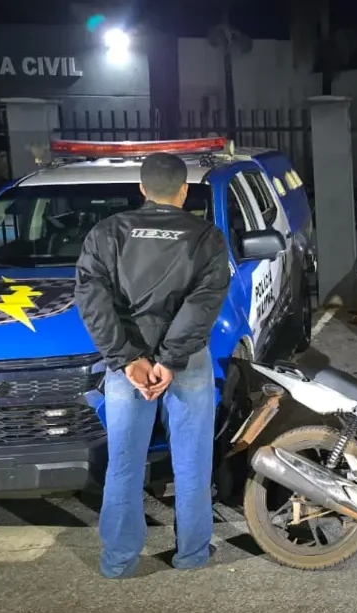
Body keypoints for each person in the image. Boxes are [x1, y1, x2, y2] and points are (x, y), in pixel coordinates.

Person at [75, 152, 231, 579]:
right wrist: (170, 359)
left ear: (142, 189)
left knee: (124, 462)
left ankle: (118, 561)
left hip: (128, 365)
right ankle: (192, 554)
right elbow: (202, 304)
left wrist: (127, 358)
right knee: (192, 460)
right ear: (184, 190)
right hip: (186, 362)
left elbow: (92, 300)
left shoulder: (107, 233)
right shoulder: (206, 237)